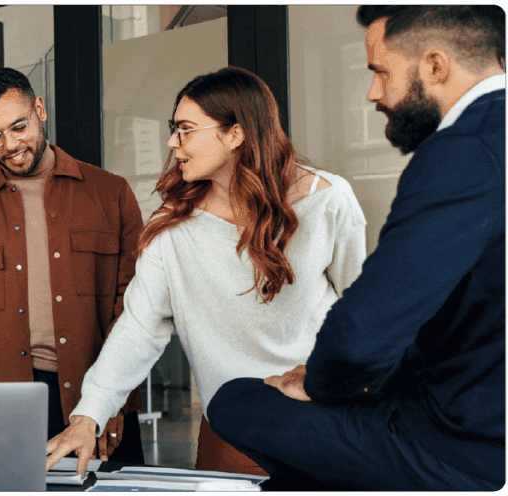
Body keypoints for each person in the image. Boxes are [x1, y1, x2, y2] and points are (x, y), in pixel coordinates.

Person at [205, 5, 505, 490]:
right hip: (474, 420)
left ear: (435, 65)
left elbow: (363, 329)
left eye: (381, 72)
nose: (373, 94)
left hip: (456, 448)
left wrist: (317, 385)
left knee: (236, 400)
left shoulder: (464, 150)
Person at [45, 66, 368, 476]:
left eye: (185, 129)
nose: (171, 143)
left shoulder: (328, 201)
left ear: (235, 134)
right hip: (231, 433)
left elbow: (361, 315)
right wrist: (88, 415)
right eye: (173, 129)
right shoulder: (173, 226)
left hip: (325, 423)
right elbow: (139, 329)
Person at [0, 67, 146, 464]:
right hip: (4, 407)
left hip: (97, 398)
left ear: (40, 109)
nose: (9, 144)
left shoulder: (111, 194)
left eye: (19, 127)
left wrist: (113, 399)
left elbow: (134, 309)